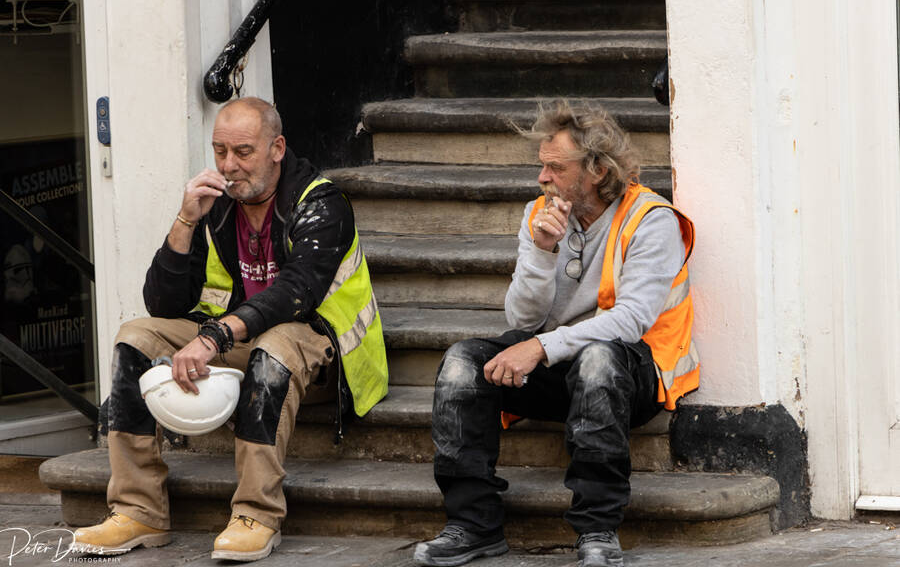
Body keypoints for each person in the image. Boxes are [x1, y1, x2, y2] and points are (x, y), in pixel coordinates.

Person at [70, 97, 387, 562]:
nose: (228, 165)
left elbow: (295, 292)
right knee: (136, 336)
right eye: (220, 152)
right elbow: (163, 304)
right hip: (241, 340)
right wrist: (185, 220)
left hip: (320, 349)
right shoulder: (217, 206)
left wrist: (214, 337)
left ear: (277, 148)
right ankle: (138, 510)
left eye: (243, 152)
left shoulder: (322, 202)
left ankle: (256, 514)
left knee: (275, 346)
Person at [414, 101, 699, 567]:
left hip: (634, 375)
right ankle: (473, 525)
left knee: (599, 359)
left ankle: (598, 531)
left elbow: (630, 321)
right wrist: (543, 254)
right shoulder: (539, 216)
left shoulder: (652, 220)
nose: (542, 178)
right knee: (462, 363)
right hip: (558, 367)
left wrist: (540, 347)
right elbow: (521, 319)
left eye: (555, 168)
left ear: (597, 171)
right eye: (542, 166)